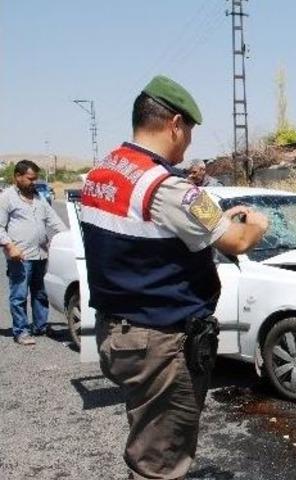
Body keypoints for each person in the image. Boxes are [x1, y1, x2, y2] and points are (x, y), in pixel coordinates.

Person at [81, 75, 268, 479]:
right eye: (190, 133)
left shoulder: (103, 173)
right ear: (175, 124)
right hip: (162, 342)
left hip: (120, 332)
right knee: (162, 456)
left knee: (147, 430)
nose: (188, 144)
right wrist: (257, 223)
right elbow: (236, 241)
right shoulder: (166, 187)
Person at [0, 160, 67, 345]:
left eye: (35, 179)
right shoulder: (7, 197)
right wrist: (9, 246)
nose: (33, 182)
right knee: (19, 295)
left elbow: (53, 220)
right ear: (18, 176)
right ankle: (21, 331)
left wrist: (68, 236)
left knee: (40, 293)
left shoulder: (38, 197)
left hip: (41, 254)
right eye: (30, 179)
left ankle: (40, 326)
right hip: (20, 256)